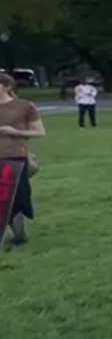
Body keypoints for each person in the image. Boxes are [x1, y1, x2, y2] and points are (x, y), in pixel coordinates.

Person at [0, 73, 45, 249]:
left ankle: (19, 235)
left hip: (14, 155)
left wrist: (15, 132)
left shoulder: (24, 106)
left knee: (14, 197)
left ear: (7, 87)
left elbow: (40, 132)